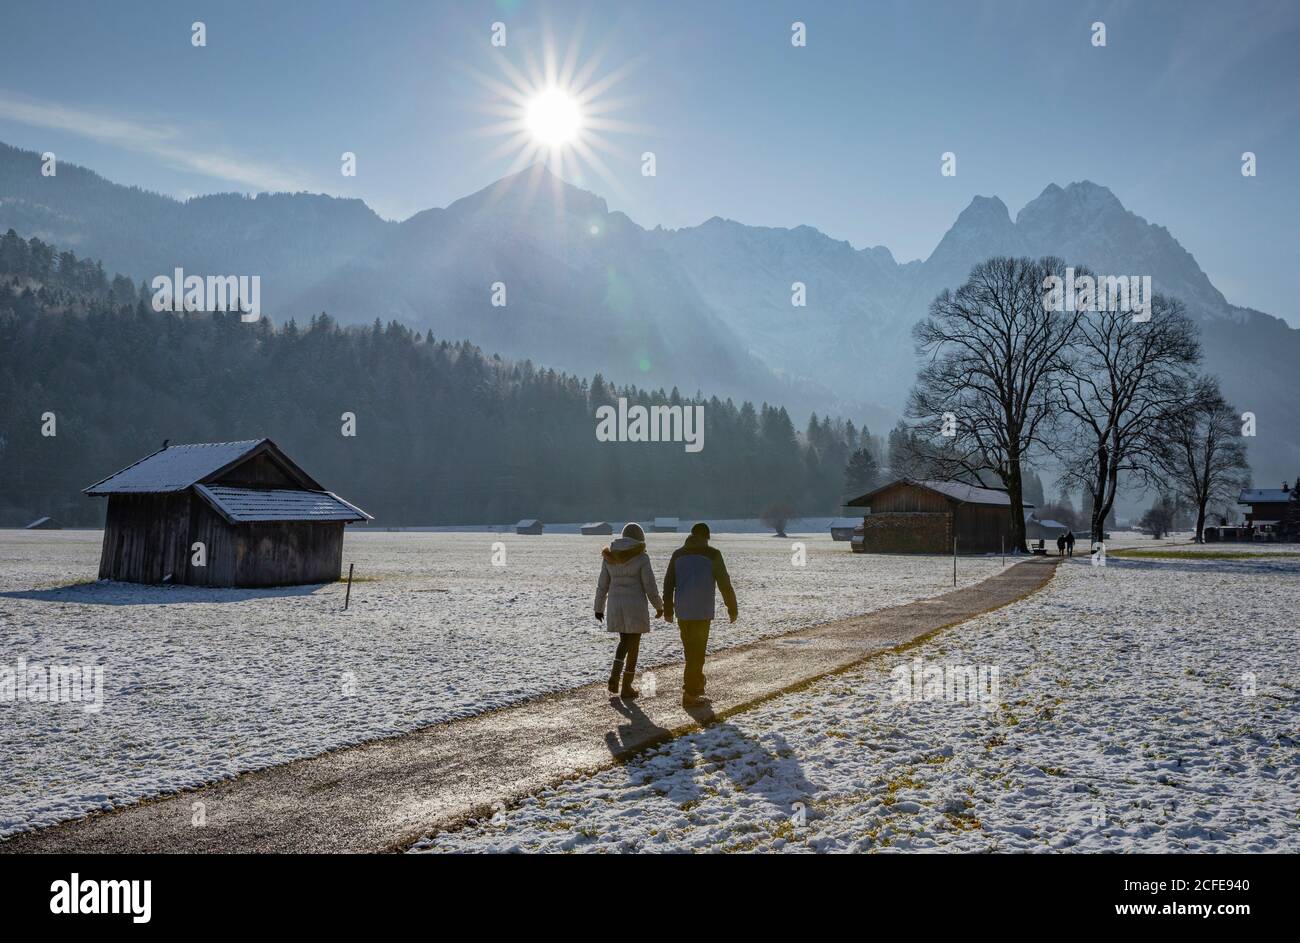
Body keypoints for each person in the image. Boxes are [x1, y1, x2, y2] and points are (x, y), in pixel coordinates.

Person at [662, 522, 738, 708]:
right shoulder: (713, 554)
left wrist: (668, 609)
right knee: (697, 654)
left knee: (690, 652)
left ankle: (695, 684)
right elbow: (724, 583)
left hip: (683, 611)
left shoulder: (678, 554)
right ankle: (690, 693)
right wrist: (732, 607)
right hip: (702, 612)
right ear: (707, 537)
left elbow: (668, 582)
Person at [594, 522, 662, 699]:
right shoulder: (641, 557)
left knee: (623, 642)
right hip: (635, 606)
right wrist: (659, 606)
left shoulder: (609, 556)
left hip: (616, 605)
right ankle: (626, 687)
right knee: (634, 646)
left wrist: (598, 608)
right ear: (640, 538)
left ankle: (614, 679)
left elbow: (602, 585)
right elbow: (650, 586)